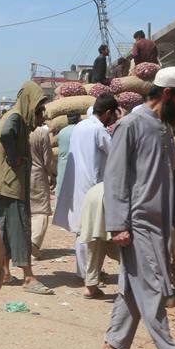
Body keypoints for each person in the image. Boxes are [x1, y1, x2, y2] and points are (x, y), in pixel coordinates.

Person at [100, 67, 175, 349]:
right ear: (168, 94)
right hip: (137, 222)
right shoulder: (131, 124)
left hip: (159, 224)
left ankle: (113, 344)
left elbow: (169, 179)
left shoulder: (162, 128)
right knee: (153, 288)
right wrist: (117, 223)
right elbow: (115, 178)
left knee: (133, 287)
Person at [0, 81, 53, 295]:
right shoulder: (16, 118)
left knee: (4, 231)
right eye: (39, 109)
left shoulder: (13, 116)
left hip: (0, 184)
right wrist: (14, 158)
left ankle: (4, 272)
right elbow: (6, 135)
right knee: (20, 227)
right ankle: (29, 277)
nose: (42, 116)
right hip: (10, 184)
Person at [52, 94, 119, 292]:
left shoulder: (80, 127)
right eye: (113, 114)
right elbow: (114, 151)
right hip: (93, 184)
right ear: (108, 113)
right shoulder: (98, 129)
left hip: (79, 182)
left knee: (83, 229)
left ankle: (87, 272)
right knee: (91, 232)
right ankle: (87, 275)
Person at [77, 182, 118, 298]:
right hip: (115, 194)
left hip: (96, 191)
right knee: (128, 248)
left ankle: (90, 287)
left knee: (95, 242)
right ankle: (132, 289)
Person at [28, 124, 55, 258]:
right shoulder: (41, 133)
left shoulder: (20, 130)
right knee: (41, 211)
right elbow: (47, 160)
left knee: (27, 210)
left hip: (21, 175)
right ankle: (35, 243)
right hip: (38, 175)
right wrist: (52, 175)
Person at [54, 112, 80, 197]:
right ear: (78, 118)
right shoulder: (79, 130)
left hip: (62, 164)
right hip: (75, 164)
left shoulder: (61, 132)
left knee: (62, 191)